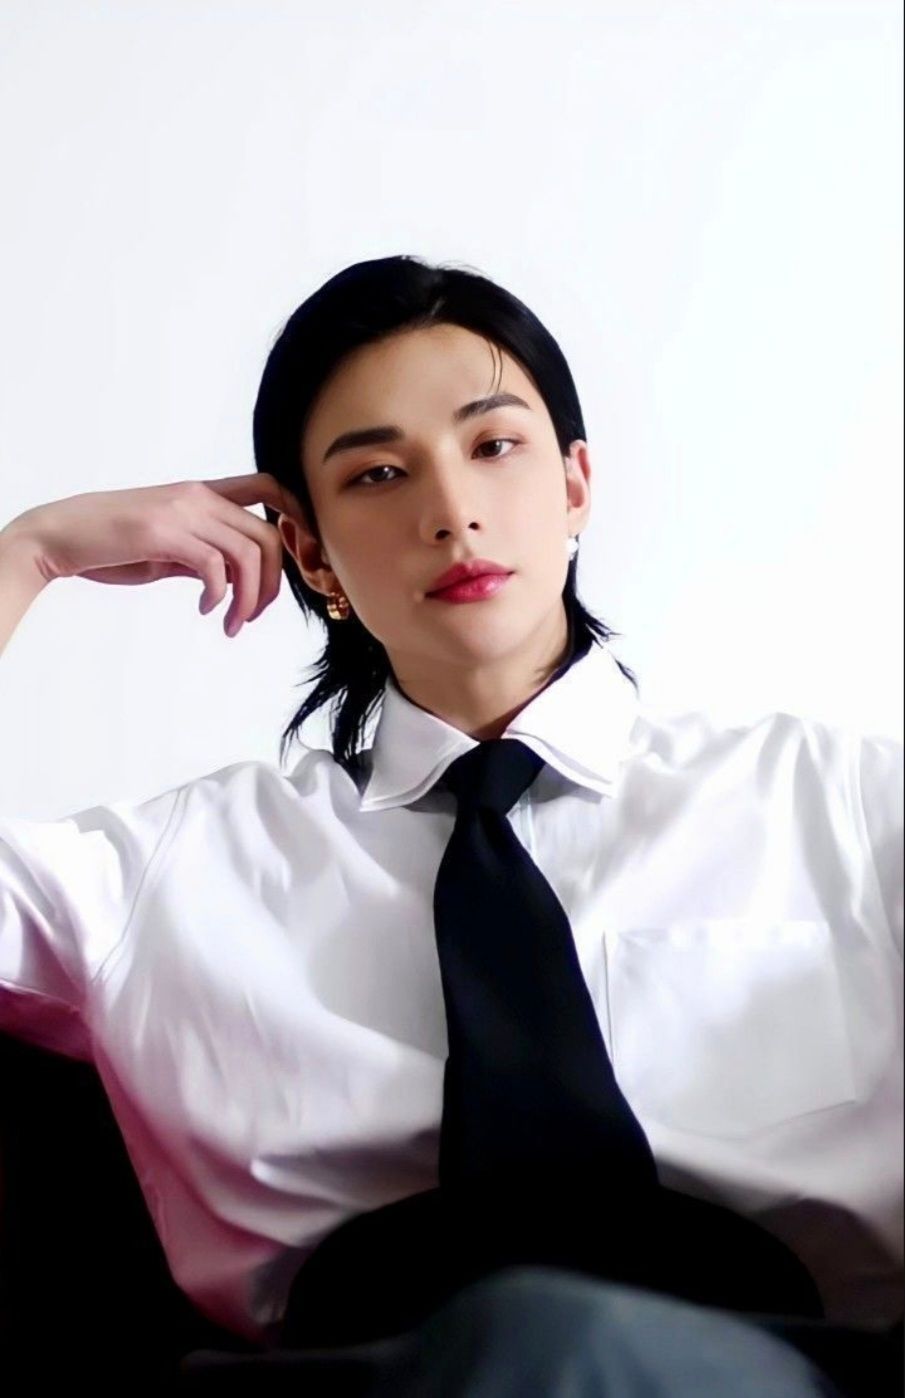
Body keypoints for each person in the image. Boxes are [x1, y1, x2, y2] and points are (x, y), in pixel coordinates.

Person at [0, 254, 901, 1396]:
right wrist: (27, 553)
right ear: (310, 550)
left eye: (494, 446)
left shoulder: (840, 805)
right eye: (377, 474)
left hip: (779, 1376)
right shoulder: (165, 876)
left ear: (575, 485)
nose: (450, 511)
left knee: (561, 1343)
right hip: (370, 1379)